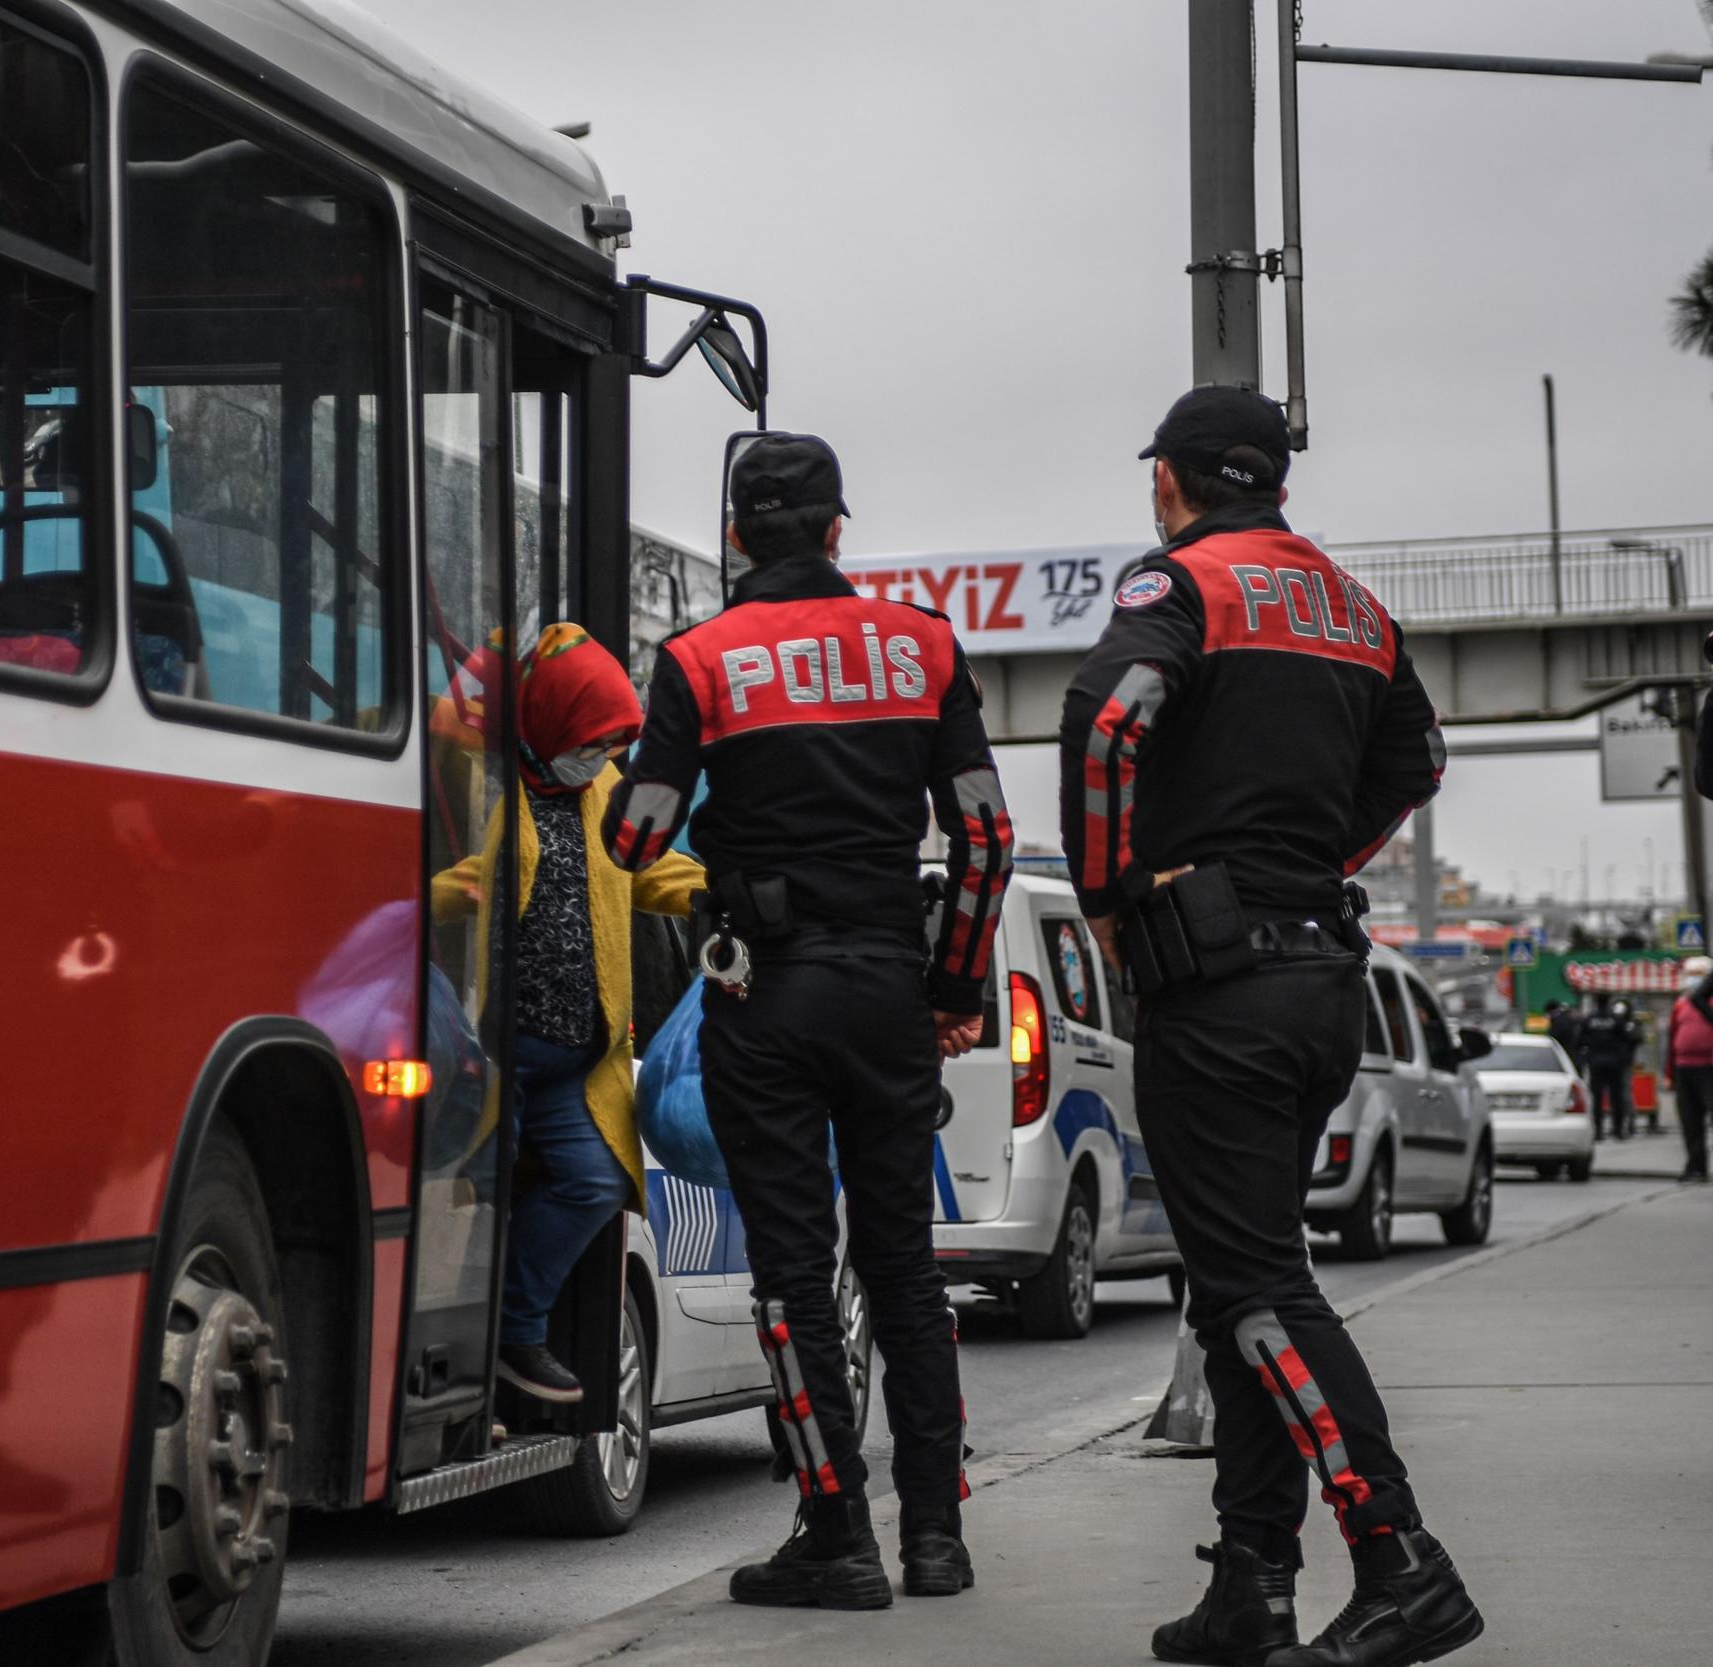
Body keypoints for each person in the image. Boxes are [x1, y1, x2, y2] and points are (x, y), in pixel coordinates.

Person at [1060, 386, 1479, 1667]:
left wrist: (1113, 898)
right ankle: (1253, 1575)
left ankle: (1399, 1558)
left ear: (1169, 480)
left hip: (1217, 992)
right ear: (1276, 482)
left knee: (1251, 1284)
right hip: (1321, 983)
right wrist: (1305, 861)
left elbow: (1107, 721)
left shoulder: (1180, 583)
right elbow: (1416, 764)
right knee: (1238, 1277)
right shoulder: (1350, 605)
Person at [602, 433, 1011, 1611]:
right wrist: (952, 987)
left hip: (761, 996)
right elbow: (982, 837)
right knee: (903, 1270)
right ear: (839, 529)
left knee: (791, 1272)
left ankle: (835, 1528)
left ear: (737, 535)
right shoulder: (924, 645)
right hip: (890, 987)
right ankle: (936, 1532)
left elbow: (635, 838)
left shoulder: (699, 658)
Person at [431, 622, 705, 1403]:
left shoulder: (604, 791)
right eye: (591, 739)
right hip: (499, 1050)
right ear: (550, 720)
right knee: (487, 1175)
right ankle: (470, 1340)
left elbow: (651, 866)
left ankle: (515, 1329)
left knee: (592, 1182)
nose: (599, 755)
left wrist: (717, 893)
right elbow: (463, 870)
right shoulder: (486, 779)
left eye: (611, 742)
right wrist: (432, 901)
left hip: (577, 1061)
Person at [1668, 958, 1713, 1183]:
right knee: (1690, 1121)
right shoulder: (1681, 1004)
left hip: (1709, 1066)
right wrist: (1670, 1074)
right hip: (1684, 1067)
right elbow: (1672, 1038)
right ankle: (1696, 1166)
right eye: (1690, 973)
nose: (1694, 978)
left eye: (1698, 974)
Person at [1578, 993, 1640, 1141]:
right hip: (1615, 1063)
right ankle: (1618, 1130)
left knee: (1597, 1098)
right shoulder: (1615, 1020)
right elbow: (1627, 1038)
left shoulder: (1590, 1019)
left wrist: (1587, 1056)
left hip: (1596, 1063)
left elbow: (1580, 1040)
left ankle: (1598, 1131)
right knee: (1616, 1097)